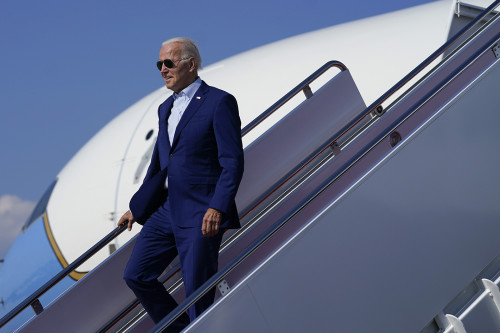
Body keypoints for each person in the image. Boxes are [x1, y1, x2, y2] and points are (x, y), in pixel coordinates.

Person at [118, 37, 244, 331]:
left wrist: (217, 206)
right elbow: (159, 165)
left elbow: (232, 161)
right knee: (136, 274)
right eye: (159, 64)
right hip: (166, 212)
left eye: (169, 62)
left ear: (191, 64)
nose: (163, 69)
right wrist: (137, 208)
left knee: (198, 294)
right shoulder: (165, 108)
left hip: (202, 213)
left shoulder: (219, 101)